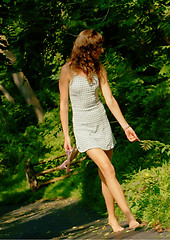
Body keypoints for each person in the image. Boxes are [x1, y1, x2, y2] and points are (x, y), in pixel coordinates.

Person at [59, 29, 140, 232]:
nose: (101, 51)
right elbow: (63, 105)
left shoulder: (99, 68)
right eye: (97, 47)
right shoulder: (67, 70)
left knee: (105, 173)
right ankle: (130, 217)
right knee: (108, 169)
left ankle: (112, 218)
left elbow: (109, 99)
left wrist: (125, 126)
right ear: (86, 48)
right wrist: (67, 135)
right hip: (82, 126)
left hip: (100, 121)